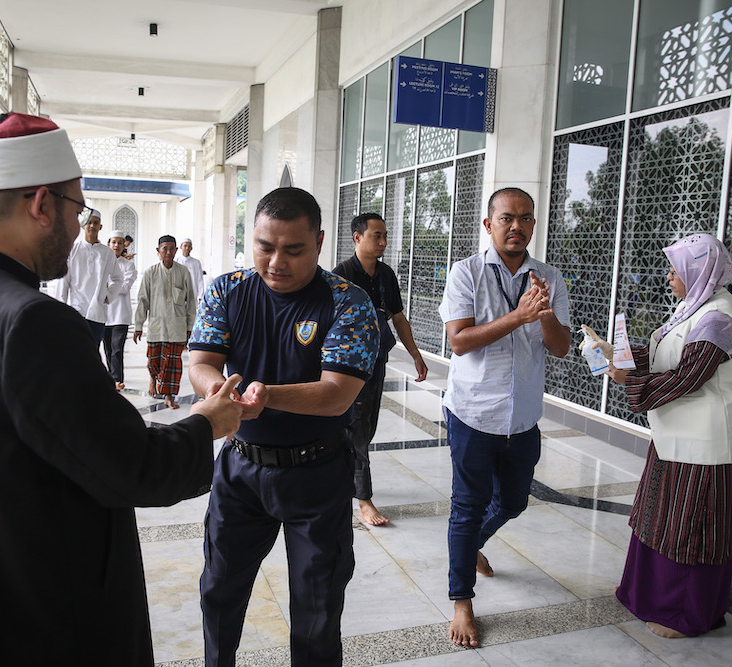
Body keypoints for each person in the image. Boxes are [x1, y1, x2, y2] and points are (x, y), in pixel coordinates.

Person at [0, 112, 243, 666]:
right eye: (77, 207)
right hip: (37, 621)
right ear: (41, 204)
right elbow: (130, 466)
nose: (79, 224)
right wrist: (209, 421)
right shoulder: (31, 321)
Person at [188, 187, 379, 667]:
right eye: (264, 246)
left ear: (317, 241)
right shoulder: (227, 290)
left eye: (293, 249)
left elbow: (338, 392)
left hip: (316, 475)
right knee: (219, 593)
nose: (276, 261)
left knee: (317, 612)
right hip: (240, 472)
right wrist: (222, 390)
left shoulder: (348, 303)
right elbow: (201, 363)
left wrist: (268, 395)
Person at [438, 187, 572, 647]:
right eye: (507, 218)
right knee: (466, 506)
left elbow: (559, 347)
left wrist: (545, 311)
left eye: (526, 219)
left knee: (514, 501)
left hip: (523, 419)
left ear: (534, 225)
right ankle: (462, 600)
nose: (517, 226)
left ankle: (472, 543)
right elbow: (458, 341)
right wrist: (518, 317)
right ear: (489, 224)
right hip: (473, 414)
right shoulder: (466, 273)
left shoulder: (549, 277)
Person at [601, 233, 732, 639]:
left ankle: (685, 615)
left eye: (675, 269)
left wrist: (629, 379)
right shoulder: (692, 309)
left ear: (697, 272)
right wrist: (615, 353)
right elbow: (665, 353)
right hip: (675, 436)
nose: (669, 276)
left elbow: (688, 376)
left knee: (693, 526)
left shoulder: (719, 318)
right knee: (662, 518)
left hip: (706, 445)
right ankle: (647, 596)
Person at [332, 213, 428, 526]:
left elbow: (398, 317)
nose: (383, 242)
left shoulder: (386, 274)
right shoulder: (341, 275)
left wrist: (415, 354)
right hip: (348, 365)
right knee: (358, 429)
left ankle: (343, 478)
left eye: (384, 235)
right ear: (357, 238)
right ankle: (363, 499)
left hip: (377, 361)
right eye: (376, 235)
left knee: (366, 428)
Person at [133, 235, 196, 409]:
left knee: (173, 363)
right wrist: (138, 325)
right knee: (153, 359)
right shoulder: (150, 273)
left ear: (176, 251)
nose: (168, 252)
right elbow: (142, 300)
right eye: (164, 249)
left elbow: (190, 301)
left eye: (171, 249)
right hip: (156, 326)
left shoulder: (183, 272)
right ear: (158, 251)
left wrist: (190, 327)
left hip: (177, 327)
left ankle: (169, 395)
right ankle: (153, 380)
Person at [51, 208, 123, 343]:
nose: (92, 226)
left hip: (97, 312)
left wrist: (108, 296)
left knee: (93, 352)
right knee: (74, 351)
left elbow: (118, 278)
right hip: (76, 311)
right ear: (83, 225)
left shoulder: (107, 252)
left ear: (100, 226)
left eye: (96, 223)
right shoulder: (73, 249)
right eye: (89, 222)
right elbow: (63, 282)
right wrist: (60, 311)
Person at [104, 229, 139, 390]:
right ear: (108, 244)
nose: (116, 245)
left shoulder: (129, 266)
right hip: (103, 314)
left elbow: (124, 288)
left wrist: (107, 287)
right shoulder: (102, 262)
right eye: (113, 242)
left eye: (119, 242)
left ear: (123, 245)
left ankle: (117, 379)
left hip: (121, 315)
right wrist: (113, 286)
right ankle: (111, 377)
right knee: (107, 349)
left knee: (117, 349)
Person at [175, 236, 205, 304]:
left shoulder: (196, 262)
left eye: (189, 246)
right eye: (185, 246)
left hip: (193, 293)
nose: (187, 248)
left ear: (191, 248)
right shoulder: (176, 261)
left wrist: (200, 296)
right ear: (181, 247)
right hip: (179, 293)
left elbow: (200, 280)